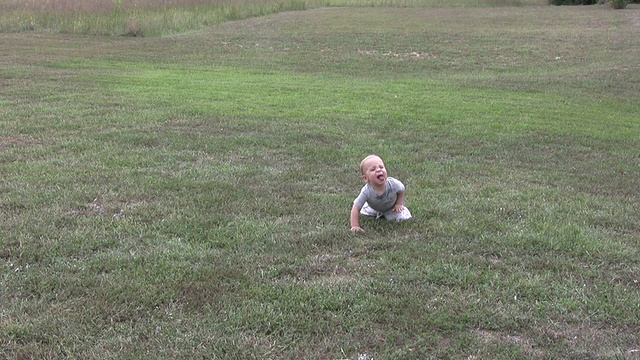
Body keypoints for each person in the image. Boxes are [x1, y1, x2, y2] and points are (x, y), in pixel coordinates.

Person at [350, 155, 412, 233]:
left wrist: (399, 204)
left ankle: (386, 213)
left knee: (403, 217)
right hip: (374, 207)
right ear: (365, 178)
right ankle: (374, 210)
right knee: (365, 211)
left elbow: (401, 190)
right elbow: (356, 208)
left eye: (381, 167)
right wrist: (355, 226)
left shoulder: (394, 184)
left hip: (391, 207)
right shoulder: (366, 191)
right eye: (373, 169)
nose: (379, 170)